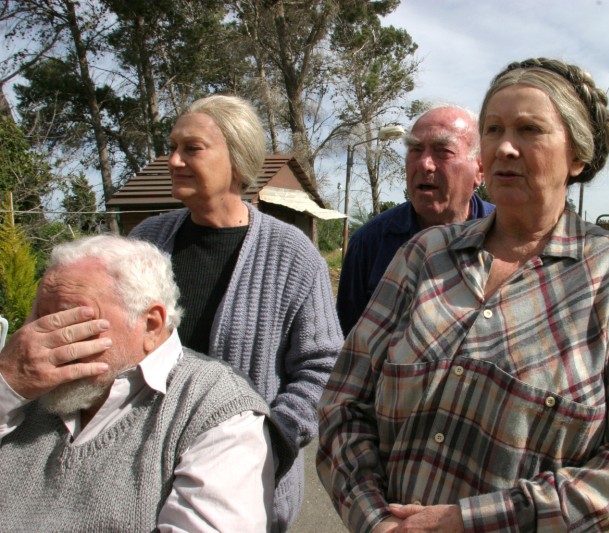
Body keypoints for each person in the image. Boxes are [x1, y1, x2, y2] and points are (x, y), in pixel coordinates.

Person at [317, 57, 609, 532]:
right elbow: (343, 405)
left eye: (529, 129)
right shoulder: (424, 255)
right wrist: (374, 519)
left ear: (577, 156)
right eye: (493, 129)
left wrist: (469, 522)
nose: (506, 147)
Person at [130, 94, 342, 532]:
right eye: (172, 147)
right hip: (138, 475)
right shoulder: (146, 240)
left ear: (238, 160)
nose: (173, 160)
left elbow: (323, 366)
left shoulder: (292, 254)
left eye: (192, 148)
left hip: (245, 488)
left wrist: (269, 440)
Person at [0, 235, 285, 531]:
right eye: (40, 317)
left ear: (150, 325)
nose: (37, 340)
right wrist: (6, 384)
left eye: (71, 321)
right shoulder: (22, 377)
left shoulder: (220, 411)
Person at [336, 105, 495, 336]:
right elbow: (347, 343)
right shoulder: (370, 243)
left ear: (480, 170)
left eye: (443, 151)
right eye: (415, 149)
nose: (424, 164)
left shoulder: (509, 237)